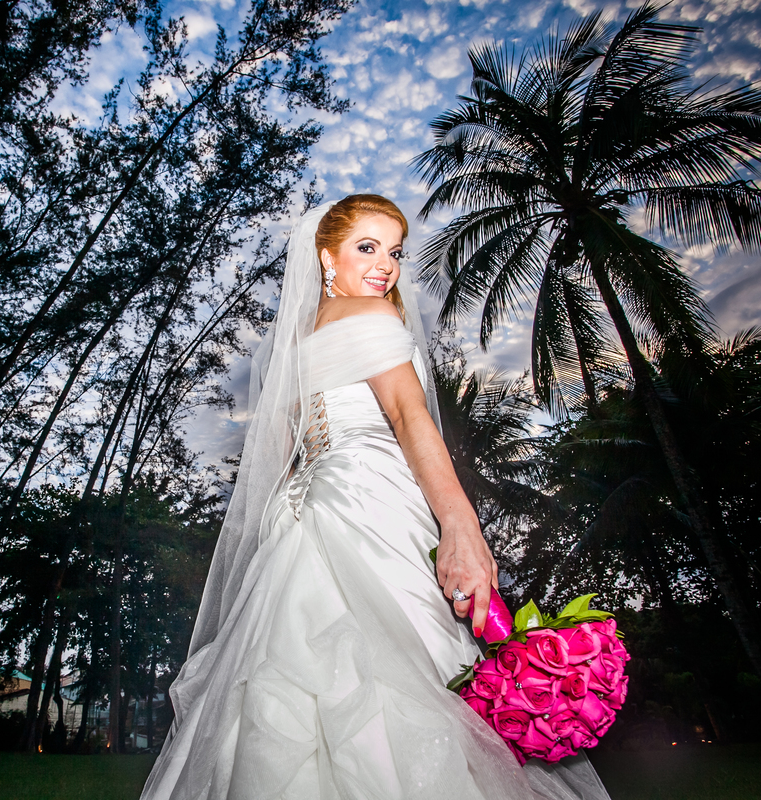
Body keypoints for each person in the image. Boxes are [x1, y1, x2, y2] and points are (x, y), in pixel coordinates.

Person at [140, 196, 609, 800]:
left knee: (290, 674)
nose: (386, 264)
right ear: (325, 254)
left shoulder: (298, 344)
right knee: (412, 667)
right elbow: (412, 419)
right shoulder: (372, 317)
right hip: (368, 498)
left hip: (307, 511)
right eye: (367, 247)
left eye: (394, 250)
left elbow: (287, 450)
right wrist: (462, 527)